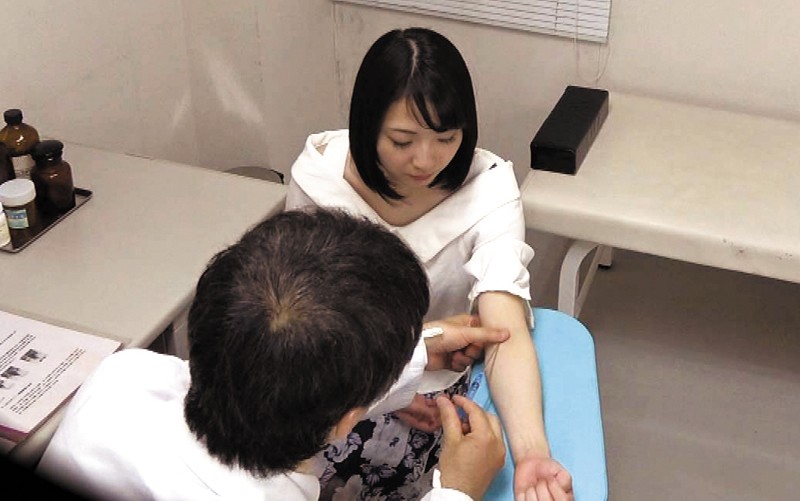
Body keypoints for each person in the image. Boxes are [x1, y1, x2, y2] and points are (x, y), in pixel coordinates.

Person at [35, 207, 507, 500]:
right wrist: (458, 491)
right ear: (348, 421)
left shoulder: (122, 377)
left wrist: (415, 349)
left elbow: (269, 371)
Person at [286, 28, 573, 499]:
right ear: (366, 125)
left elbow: (503, 328)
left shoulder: (488, 191)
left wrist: (533, 453)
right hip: (336, 378)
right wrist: (385, 385)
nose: (426, 160)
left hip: (435, 389)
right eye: (402, 141)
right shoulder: (319, 181)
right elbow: (302, 321)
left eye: (446, 138)